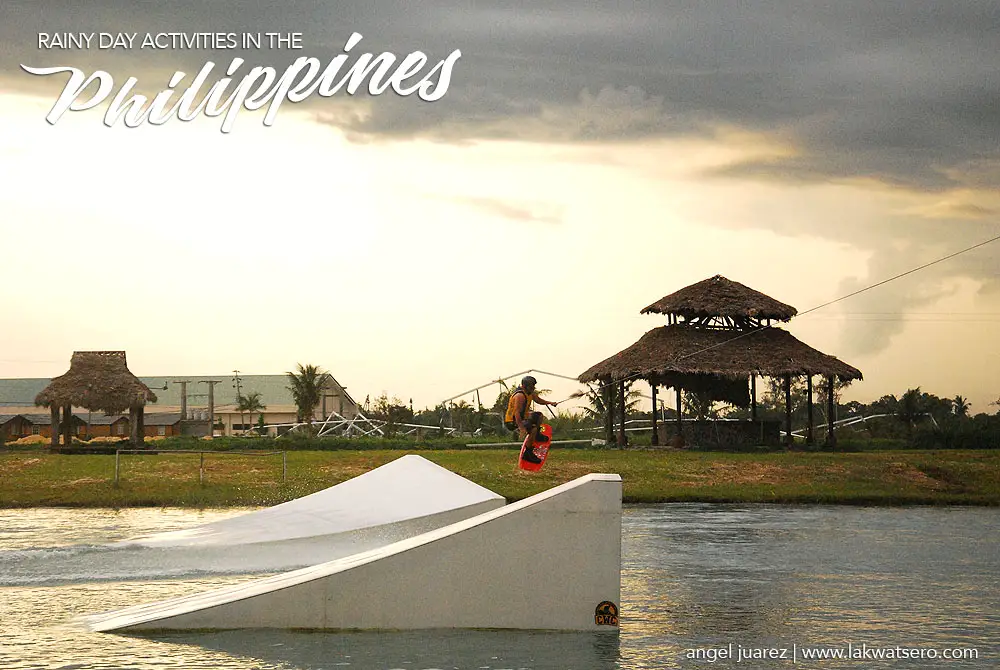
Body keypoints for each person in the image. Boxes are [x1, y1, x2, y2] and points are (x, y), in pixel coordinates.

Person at [504, 376, 558, 463]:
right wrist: (521, 428)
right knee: (533, 429)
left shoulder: (530, 393)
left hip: (522, 418)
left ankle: (536, 436)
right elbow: (516, 413)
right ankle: (528, 454)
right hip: (512, 421)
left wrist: (550, 403)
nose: (533, 388)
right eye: (531, 386)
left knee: (539, 416)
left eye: (534, 386)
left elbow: (538, 400)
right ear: (525, 386)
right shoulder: (520, 396)